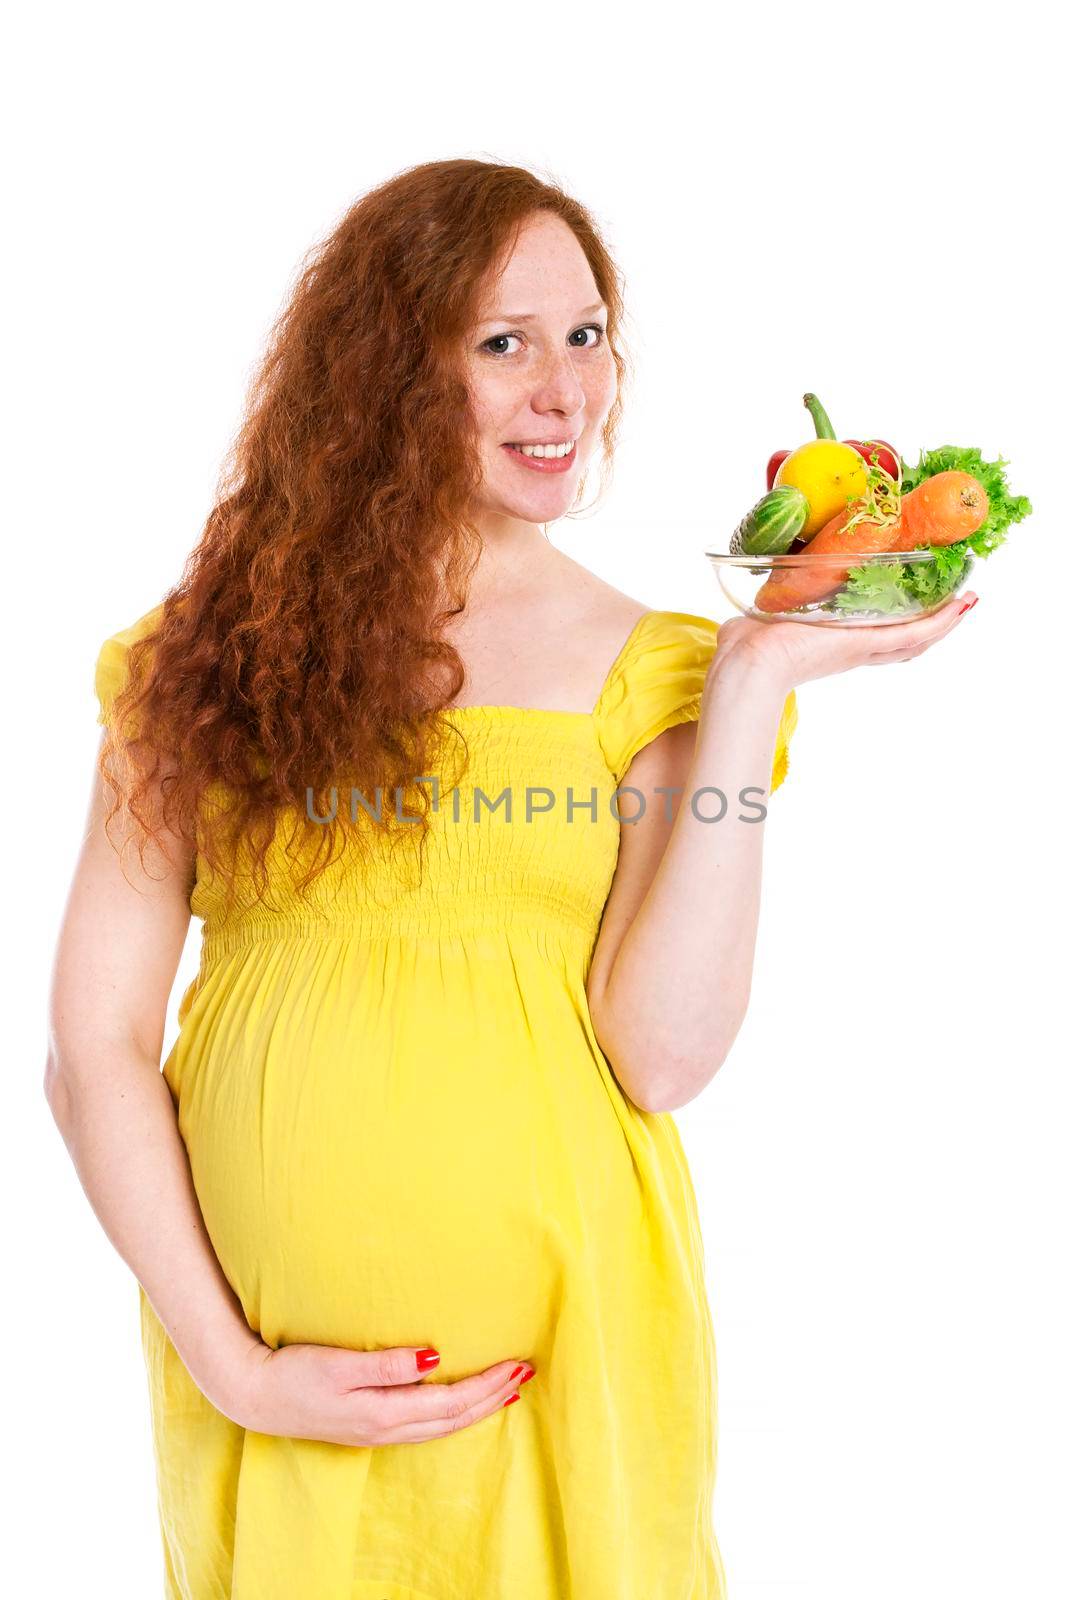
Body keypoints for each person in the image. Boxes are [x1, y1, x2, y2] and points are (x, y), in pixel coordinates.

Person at [45, 159, 978, 1600]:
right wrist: (230, 1365)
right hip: (272, 1388)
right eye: (503, 344)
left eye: (587, 335)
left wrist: (745, 681)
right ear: (378, 377)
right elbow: (91, 1048)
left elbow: (660, 1055)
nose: (565, 392)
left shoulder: (652, 669)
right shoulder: (201, 662)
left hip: (562, 1348)